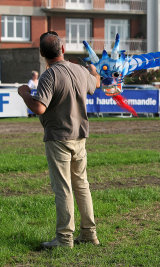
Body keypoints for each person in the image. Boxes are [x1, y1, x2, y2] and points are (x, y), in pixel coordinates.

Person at [17, 31, 101, 249]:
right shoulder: (81, 71)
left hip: (58, 138)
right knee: (82, 185)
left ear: (42, 54)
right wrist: (94, 71)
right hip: (80, 136)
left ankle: (64, 239)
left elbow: (39, 107)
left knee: (63, 188)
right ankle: (89, 233)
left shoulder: (49, 75)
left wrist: (25, 93)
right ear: (62, 49)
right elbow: (96, 84)